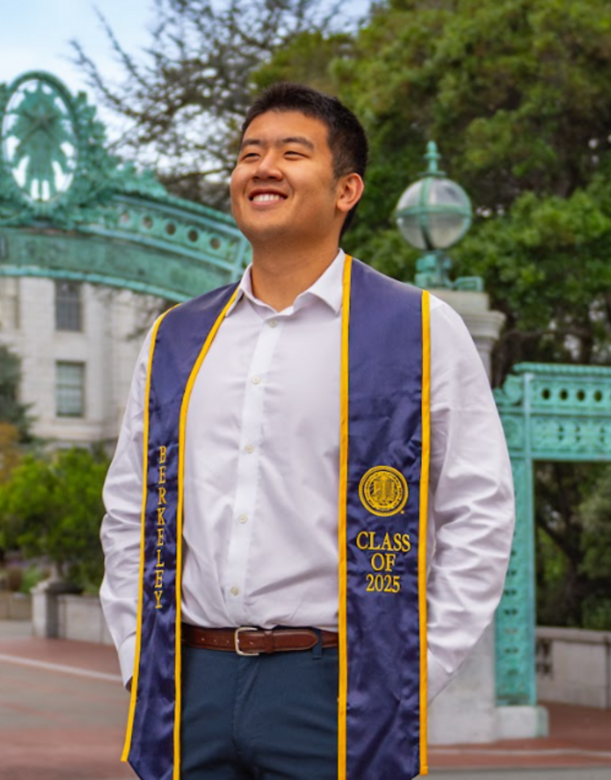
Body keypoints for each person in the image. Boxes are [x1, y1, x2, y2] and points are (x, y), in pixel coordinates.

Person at [99, 82, 515, 780]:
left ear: (346, 189)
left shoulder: (414, 328)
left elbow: (479, 511)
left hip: (337, 688)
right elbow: (129, 508)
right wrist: (137, 653)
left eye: (293, 153)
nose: (263, 168)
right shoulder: (176, 338)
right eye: (249, 153)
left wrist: (415, 669)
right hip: (189, 685)